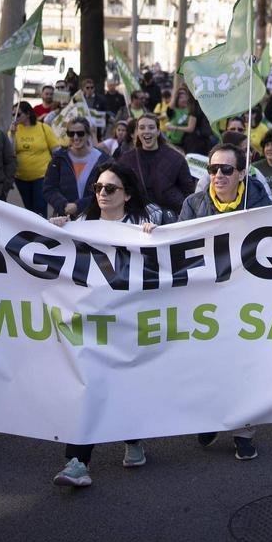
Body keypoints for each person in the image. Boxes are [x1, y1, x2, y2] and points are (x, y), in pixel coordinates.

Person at [47, 162, 162, 487]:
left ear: (126, 195)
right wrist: (57, 227)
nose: (102, 194)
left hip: (131, 322)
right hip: (92, 322)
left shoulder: (143, 226)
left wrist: (156, 239)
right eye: (97, 188)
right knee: (90, 385)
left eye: (110, 189)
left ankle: (133, 437)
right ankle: (77, 461)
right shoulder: (82, 225)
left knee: (125, 381)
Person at [179, 145, 272, 459]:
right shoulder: (193, 204)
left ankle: (244, 430)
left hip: (248, 298)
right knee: (208, 363)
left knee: (246, 367)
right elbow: (176, 248)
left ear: (242, 173)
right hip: (206, 298)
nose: (218, 175)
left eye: (226, 170)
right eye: (212, 169)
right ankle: (210, 417)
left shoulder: (260, 203)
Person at [117, 112, 194, 217]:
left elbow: (188, 191)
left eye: (151, 127)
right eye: (142, 128)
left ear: (158, 131)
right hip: (138, 218)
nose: (146, 131)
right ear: (137, 132)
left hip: (170, 219)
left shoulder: (176, 158)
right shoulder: (126, 159)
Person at [44, 118, 110, 218]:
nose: (75, 137)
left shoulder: (103, 160)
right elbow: (49, 188)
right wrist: (63, 205)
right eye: (71, 133)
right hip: (64, 218)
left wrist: (78, 206)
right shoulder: (59, 158)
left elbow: (108, 190)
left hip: (94, 218)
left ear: (88, 134)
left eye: (80, 133)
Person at [11, 100, 61, 215]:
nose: (15, 117)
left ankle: (41, 232)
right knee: (29, 209)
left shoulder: (43, 128)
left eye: (18, 114)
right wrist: (13, 134)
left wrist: (57, 170)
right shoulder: (14, 130)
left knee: (40, 207)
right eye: (13, 114)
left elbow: (56, 150)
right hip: (21, 177)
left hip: (42, 175)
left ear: (28, 114)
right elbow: (11, 152)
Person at [163, 86, 200, 151]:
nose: (184, 99)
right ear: (176, 100)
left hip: (184, 142)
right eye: (181, 97)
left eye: (185, 97)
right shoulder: (173, 110)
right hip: (171, 141)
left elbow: (190, 128)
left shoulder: (190, 110)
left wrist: (174, 127)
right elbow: (169, 109)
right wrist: (176, 93)